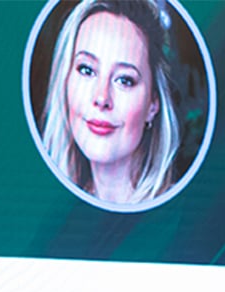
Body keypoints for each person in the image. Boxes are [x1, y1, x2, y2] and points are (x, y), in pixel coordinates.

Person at [41, 0, 179, 204]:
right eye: (87, 70)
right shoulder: (52, 211)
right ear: (64, 80)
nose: (102, 98)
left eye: (125, 80)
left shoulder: (185, 217)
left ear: (153, 104)